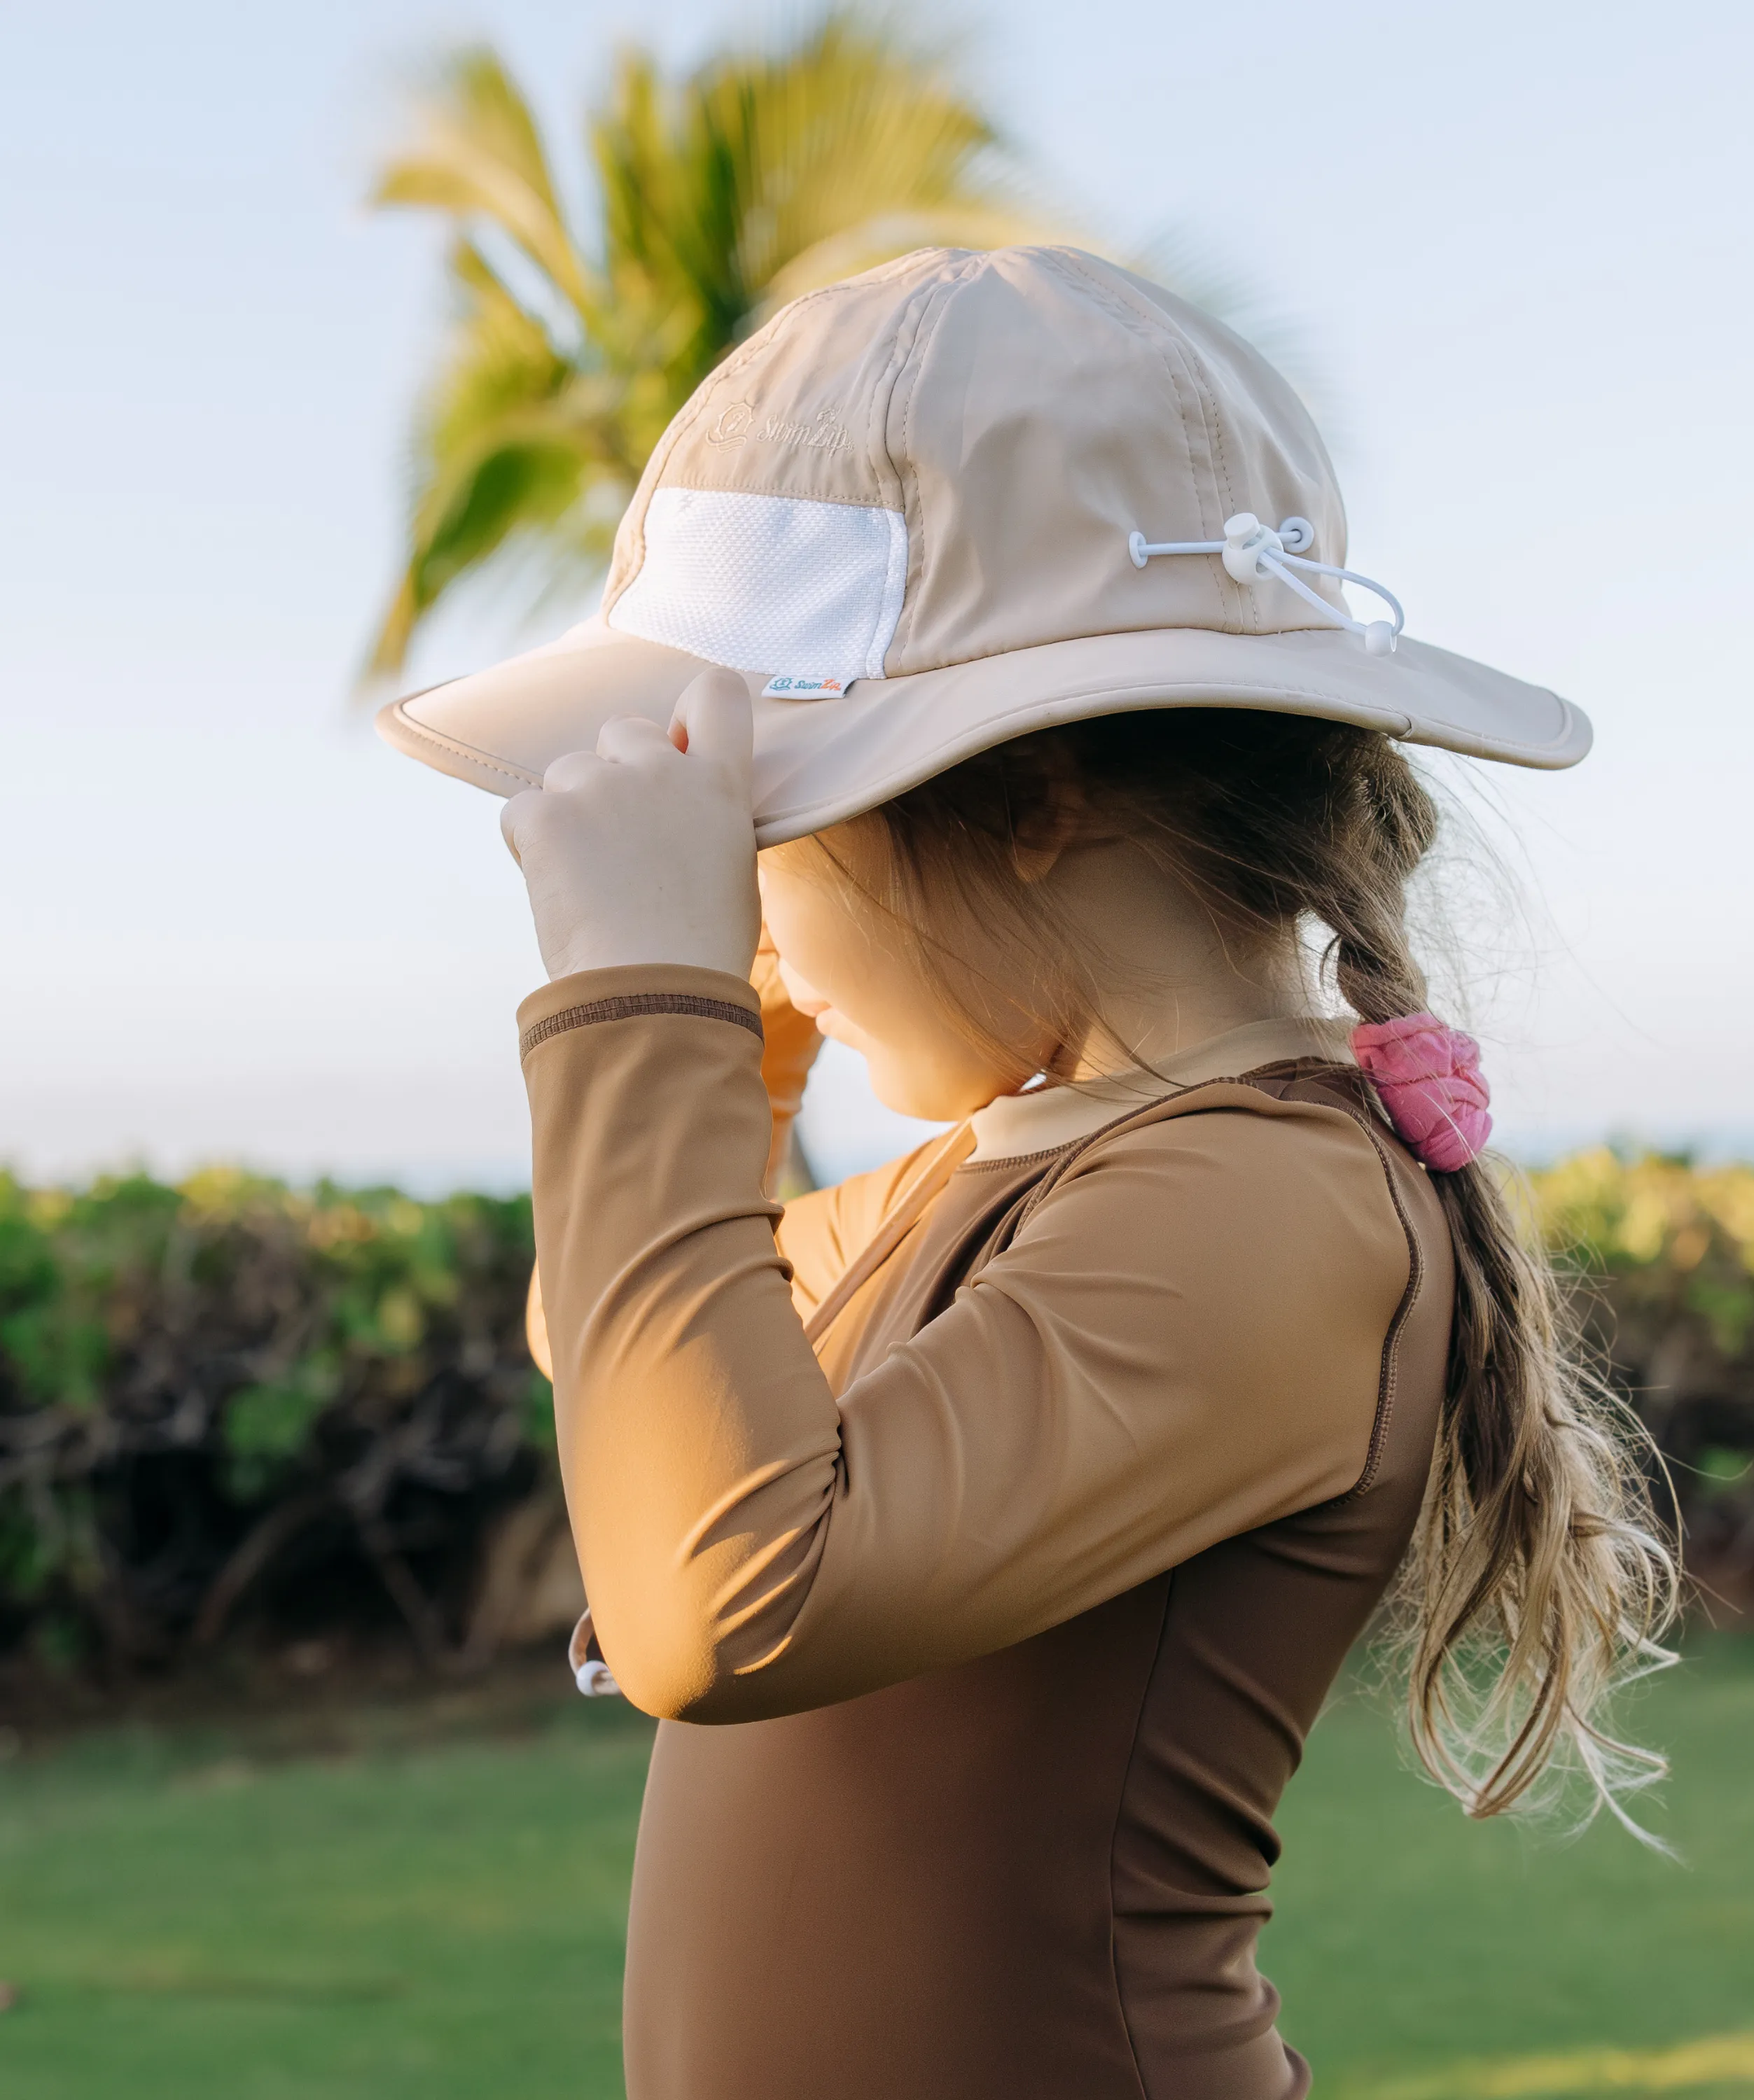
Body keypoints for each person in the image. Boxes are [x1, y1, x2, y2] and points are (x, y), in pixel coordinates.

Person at [381, 246, 1678, 2100]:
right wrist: (735, 1026)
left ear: (1033, 798)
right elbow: (632, 1348)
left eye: (776, 829)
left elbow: (714, 1595)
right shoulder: (1008, 1170)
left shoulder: (1267, 1205)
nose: (748, 892)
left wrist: (634, 991)